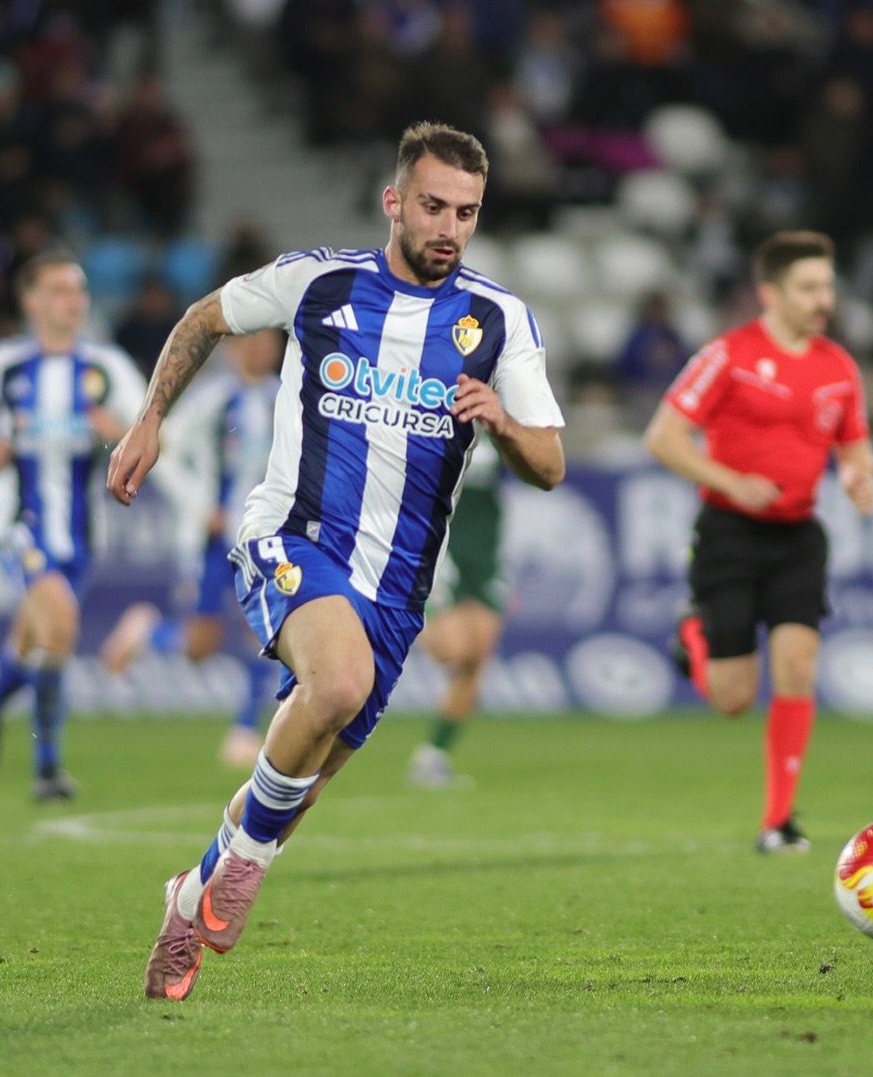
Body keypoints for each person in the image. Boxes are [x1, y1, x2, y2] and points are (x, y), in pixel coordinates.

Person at [107, 122, 566, 1001]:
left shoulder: (498, 322)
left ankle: (191, 895)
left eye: (466, 213)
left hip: (396, 591)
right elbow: (206, 317)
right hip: (293, 536)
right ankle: (241, 871)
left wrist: (503, 424)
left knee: (300, 781)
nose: (448, 227)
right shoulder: (320, 282)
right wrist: (150, 416)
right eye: (432, 205)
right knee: (339, 685)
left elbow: (550, 463)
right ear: (395, 201)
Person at [644, 230, 873, 855]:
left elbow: (855, 446)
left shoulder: (838, 367)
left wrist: (860, 476)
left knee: (798, 666)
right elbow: (664, 437)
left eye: (826, 286)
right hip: (729, 533)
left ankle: (778, 822)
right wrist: (732, 483)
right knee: (732, 698)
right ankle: (691, 638)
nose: (822, 298)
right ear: (769, 293)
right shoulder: (729, 354)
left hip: (799, 534)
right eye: (808, 287)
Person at [0, 250, 146, 799]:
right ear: (30, 301)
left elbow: (150, 432)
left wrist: (117, 432)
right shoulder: (5, 364)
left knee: (34, 642)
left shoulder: (106, 367)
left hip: (80, 534)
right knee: (59, 626)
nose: (71, 301)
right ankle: (47, 768)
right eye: (57, 290)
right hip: (16, 524)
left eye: (77, 290)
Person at [100, 331, 285, 770]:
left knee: (266, 631)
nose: (261, 350)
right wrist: (203, 508)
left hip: (259, 535)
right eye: (252, 341)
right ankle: (149, 633)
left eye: (268, 342)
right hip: (211, 539)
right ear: (236, 347)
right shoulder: (213, 398)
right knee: (201, 644)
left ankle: (244, 730)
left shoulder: (285, 396)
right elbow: (165, 449)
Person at [406, 435, 509, 789]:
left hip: (485, 556)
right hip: (441, 551)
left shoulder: (500, 430)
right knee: (452, 650)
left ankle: (434, 755)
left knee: (476, 658)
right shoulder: (433, 421)